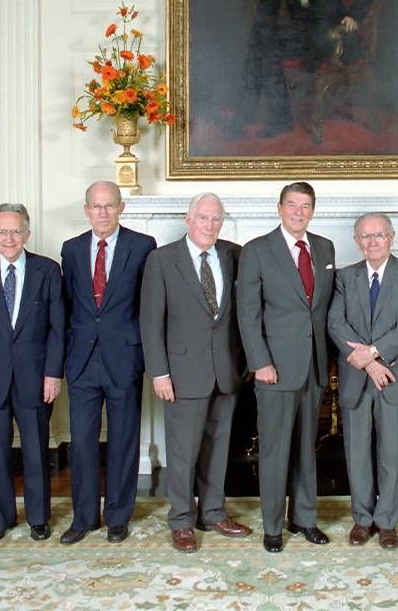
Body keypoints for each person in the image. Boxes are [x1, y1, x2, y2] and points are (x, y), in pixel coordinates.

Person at [139, 193, 252, 553]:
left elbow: (241, 314)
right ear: (189, 219)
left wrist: (245, 363)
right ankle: (181, 520)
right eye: (203, 218)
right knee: (184, 451)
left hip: (226, 370)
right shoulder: (161, 260)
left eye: (216, 219)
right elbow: (150, 321)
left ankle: (213, 511)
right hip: (182, 372)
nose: (209, 225)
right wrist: (159, 372)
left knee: (219, 447)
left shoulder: (234, 255)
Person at [237, 181, 336, 552]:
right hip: (274, 368)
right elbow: (248, 314)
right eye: (292, 205)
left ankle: (305, 519)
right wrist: (260, 362)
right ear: (279, 208)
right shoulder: (257, 251)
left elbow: (323, 310)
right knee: (276, 449)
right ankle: (273, 526)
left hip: (313, 366)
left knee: (307, 448)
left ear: (313, 210)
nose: (299, 212)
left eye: (306, 205)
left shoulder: (325, 248)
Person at [0, 203, 64, 544]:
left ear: (27, 234)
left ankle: (38, 518)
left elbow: (57, 329)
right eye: (2, 232)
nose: (9, 238)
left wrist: (52, 373)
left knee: (35, 451)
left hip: (35, 378)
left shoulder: (47, 270)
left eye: (15, 231)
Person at [59, 181, 157, 545]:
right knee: (82, 441)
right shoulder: (70, 249)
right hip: (82, 358)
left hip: (123, 356)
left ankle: (118, 517)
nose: (102, 213)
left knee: (123, 440)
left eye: (109, 206)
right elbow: (67, 305)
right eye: (95, 207)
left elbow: (148, 306)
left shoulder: (142, 246)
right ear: (86, 210)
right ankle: (84, 518)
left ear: (121, 208)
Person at [327, 212, 398, 549]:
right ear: (357, 241)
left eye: (379, 235)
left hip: (396, 377)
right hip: (358, 378)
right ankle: (362, 520)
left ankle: (387, 522)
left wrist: (374, 353)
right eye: (365, 237)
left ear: (391, 237)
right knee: (357, 455)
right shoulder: (345, 277)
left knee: (392, 454)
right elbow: (335, 324)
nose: (372, 242)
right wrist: (369, 364)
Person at [243, 0, 379, 138]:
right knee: (261, 35)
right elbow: (264, 16)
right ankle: (280, 119)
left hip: (336, 36)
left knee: (264, 38)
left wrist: (354, 15)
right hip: (303, 39)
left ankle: (249, 112)